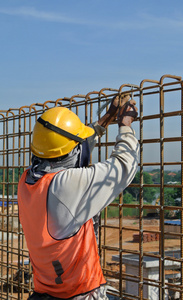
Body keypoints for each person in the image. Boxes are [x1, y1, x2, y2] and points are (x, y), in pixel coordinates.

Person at [17, 95, 139, 300]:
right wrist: (125, 125)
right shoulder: (64, 187)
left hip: (44, 292)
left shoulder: (27, 181)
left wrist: (107, 117)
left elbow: (69, 151)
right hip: (78, 294)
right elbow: (124, 167)